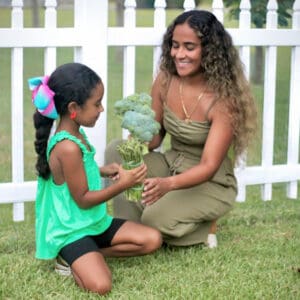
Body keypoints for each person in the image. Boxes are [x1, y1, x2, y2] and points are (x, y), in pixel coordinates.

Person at [105, 10, 256, 248]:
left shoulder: (224, 101)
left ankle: (205, 227)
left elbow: (208, 167)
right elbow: (155, 139)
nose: (179, 54)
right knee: (119, 150)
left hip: (209, 181)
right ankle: (129, 227)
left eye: (189, 47)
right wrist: (139, 137)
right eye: (175, 46)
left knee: (155, 220)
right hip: (170, 164)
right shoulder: (165, 79)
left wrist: (167, 186)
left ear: (209, 50)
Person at [29, 62, 162, 295]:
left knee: (152, 239)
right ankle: (70, 256)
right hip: (71, 230)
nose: (101, 109)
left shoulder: (75, 132)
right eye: (96, 104)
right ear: (73, 108)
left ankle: (89, 256)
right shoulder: (67, 146)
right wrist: (123, 184)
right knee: (101, 286)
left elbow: (76, 172)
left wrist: (102, 170)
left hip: (93, 222)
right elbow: (83, 199)